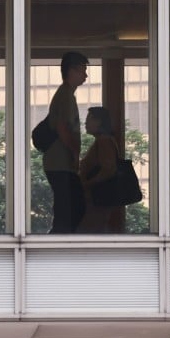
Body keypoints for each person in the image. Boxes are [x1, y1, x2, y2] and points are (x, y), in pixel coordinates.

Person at [42, 51, 88, 233]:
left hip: (59, 163)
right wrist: (75, 153)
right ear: (71, 70)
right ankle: (57, 246)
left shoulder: (66, 94)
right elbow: (63, 128)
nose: (85, 75)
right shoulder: (66, 96)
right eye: (82, 70)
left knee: (68, 208)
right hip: (60, 163)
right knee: (70, 210)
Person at [77, 106, 122, 233]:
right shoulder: (102, 142)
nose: (85, 122)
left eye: (89, 119)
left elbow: (109, 169)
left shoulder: (104, 142)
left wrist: (87, 184)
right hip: (96, 199)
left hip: (97, 200)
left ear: (99, 122)